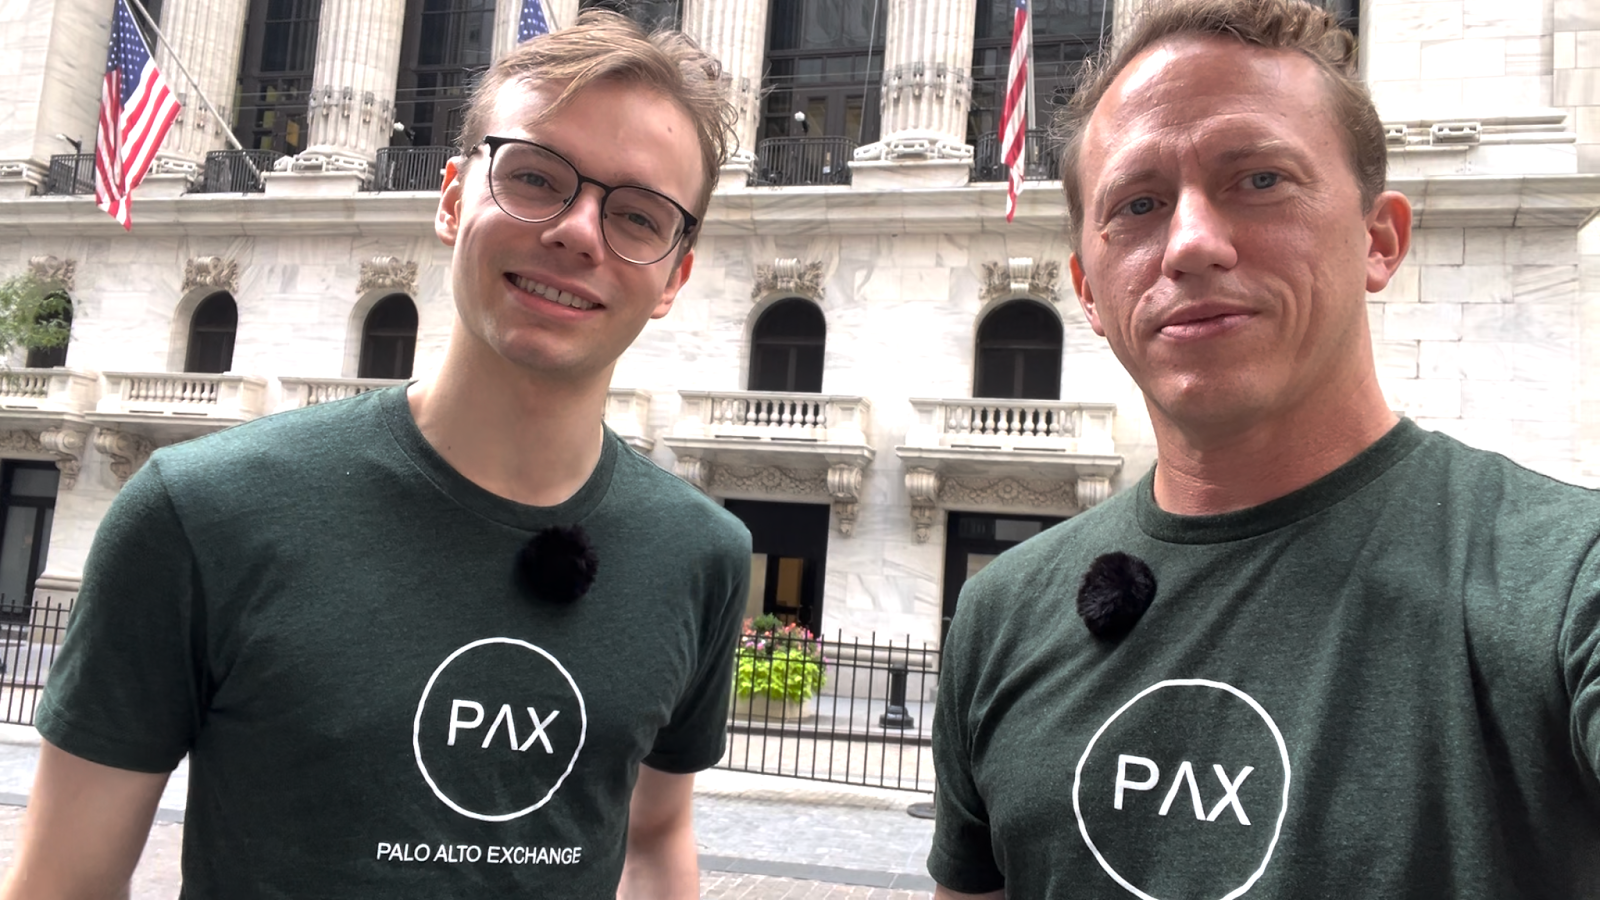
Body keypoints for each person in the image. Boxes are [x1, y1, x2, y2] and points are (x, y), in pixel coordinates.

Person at [3, 11, 750, 899]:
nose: (579, 231)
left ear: (674, 277)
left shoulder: (702, 554)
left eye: (638, 216)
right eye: (535, 177)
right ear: (452, 200)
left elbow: (656, 838)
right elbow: (65, 882)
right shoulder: (198, 513)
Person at [929, 0, 1600, 897]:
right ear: (1088, 293)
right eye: (1139, 204)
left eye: (1260, 180)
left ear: (1379, 240)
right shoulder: (999, 614)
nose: (1191, 245)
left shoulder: (1568, 584)